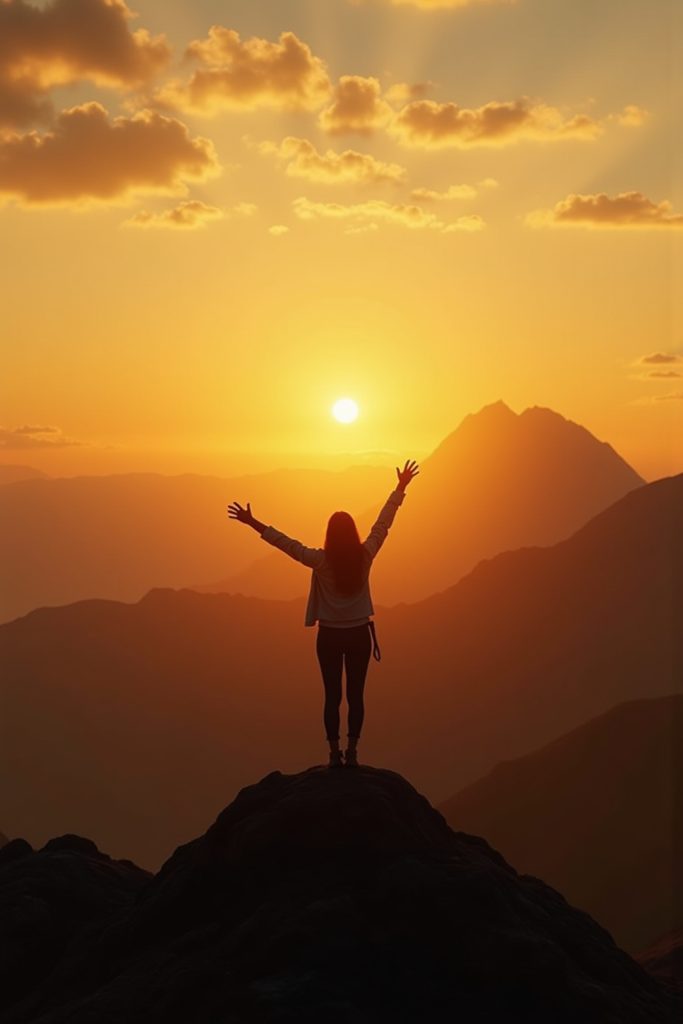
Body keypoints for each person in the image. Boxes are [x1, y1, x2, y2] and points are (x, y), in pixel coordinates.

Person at [227, 460, 419, 768]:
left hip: (329, 636)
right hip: (359, 635)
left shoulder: (320, 560)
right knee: (356, 696)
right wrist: (400, 488)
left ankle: (333, 755)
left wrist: (253, 523)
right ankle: (353, 753)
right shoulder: (365, 555)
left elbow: (286, 544)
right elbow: (383, 525)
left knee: (332, 696)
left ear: (329, 533)